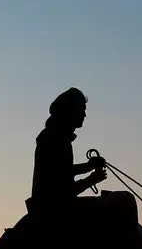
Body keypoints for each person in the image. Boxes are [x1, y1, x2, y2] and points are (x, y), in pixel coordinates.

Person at [28, 87, 108, 215]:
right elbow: (62, 189)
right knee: (123, 201)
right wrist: (91, 178)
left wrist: (90, 167)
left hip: (52, 206)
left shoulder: (55, 137)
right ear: (71, 110)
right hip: (53, 210)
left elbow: (64, 172)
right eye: (82, 110)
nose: (84, 115)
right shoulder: (53, 139)